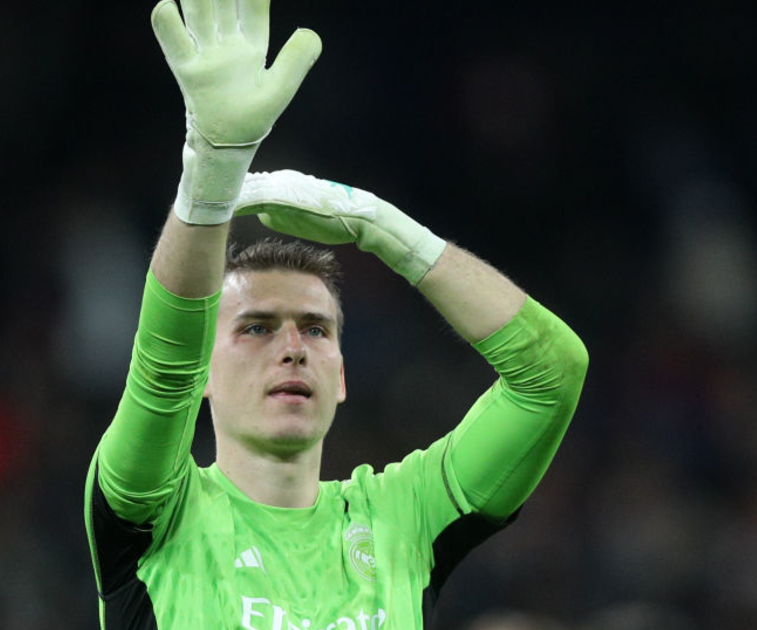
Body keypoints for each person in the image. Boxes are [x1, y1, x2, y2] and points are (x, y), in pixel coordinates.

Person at [84, 1, 589, 628]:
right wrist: (209, 177)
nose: (292, 347)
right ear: (202, 376)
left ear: (342, 375)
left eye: (316, 328)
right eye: (256, 327)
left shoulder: (402, 519)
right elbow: (164, 369)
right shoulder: (161, 515)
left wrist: (384, 228)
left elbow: (552, 377)